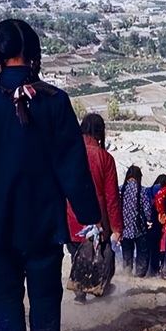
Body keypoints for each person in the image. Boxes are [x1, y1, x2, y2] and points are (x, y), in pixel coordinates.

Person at [0, 19, 100, 331]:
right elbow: (73, 168)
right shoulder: (56, 101)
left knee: (5, 301)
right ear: (34, 53)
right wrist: (90, 216)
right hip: (43, 225)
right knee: (45, 303)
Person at [66, 113, 123, 301]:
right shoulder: (105, 158)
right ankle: (99, 288)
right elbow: (112, 197)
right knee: (102, 256)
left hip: (71, 218)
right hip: (96, 220)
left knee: (77, 255)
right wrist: (116, 227)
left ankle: (79, 292)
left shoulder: (69, 153)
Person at [119, 166, 150, 277]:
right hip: (139, 227)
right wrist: (149, 220)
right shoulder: (142, 191)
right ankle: (140, 273)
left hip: (124, 228)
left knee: (127, 251)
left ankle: (127, 271)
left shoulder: (120, 189)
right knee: (142, 251)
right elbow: (147, 209)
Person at [146, 174, 166, 277]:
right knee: (155, 249)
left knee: (147, 248)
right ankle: (153, 271)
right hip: (158, 225)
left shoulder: (148, 190)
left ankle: (145, 270)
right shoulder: (164, 193)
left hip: (147, 223)